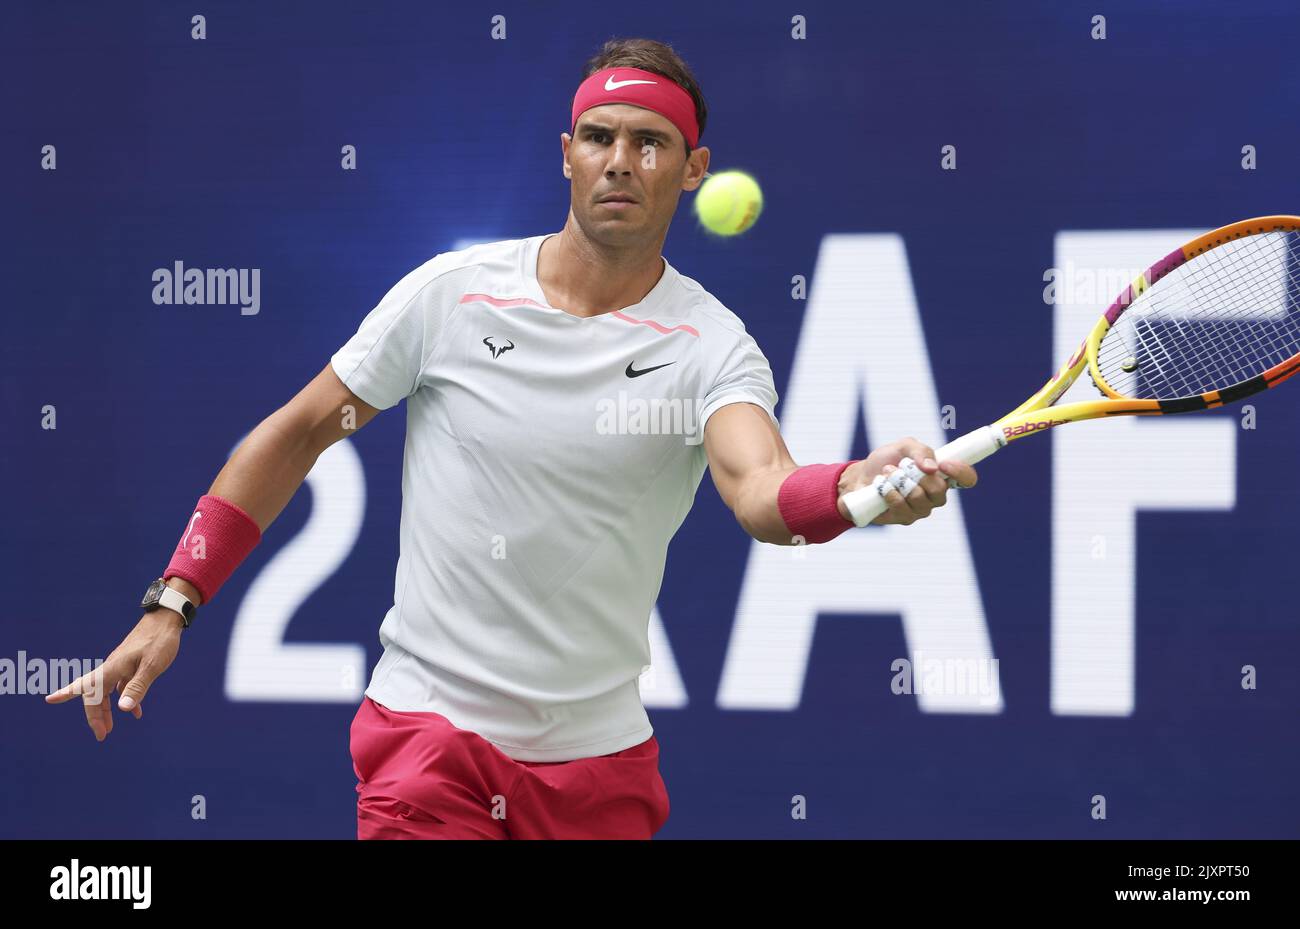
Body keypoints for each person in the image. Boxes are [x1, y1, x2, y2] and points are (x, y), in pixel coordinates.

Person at [46, 37, 978, 839]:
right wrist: (174, 600)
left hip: (598, 768)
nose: (621, 160)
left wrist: (858, 484)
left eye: (650, 143)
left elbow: (763, 491)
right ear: (566, 153)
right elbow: (292, 436)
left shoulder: (713, 348)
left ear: (693, 171)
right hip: (428, 742)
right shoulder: (452, 294)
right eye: (601, 139)